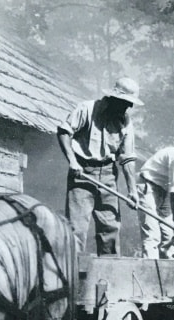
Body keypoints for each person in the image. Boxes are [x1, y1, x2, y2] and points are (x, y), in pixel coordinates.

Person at [57, 77, 141, 255]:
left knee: (110, 228)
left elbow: (127, 159)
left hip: (109, 175)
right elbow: (64, 132)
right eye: (126, 103)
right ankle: (75, 276)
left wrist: (132, 190)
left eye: (131, 104)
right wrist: (72, 161)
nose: (128, 108)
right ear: (114, 98)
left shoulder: (125, 122)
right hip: (83, 173)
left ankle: (109, 274)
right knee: (76, 228)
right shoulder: (87, 109)